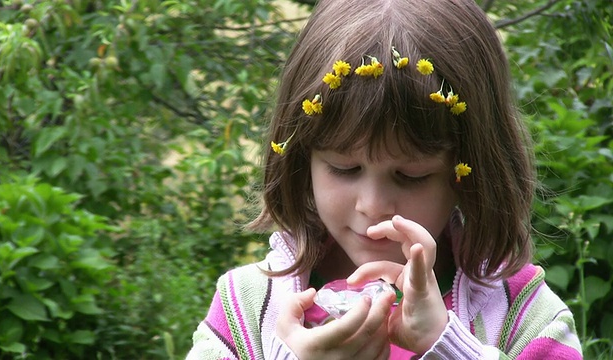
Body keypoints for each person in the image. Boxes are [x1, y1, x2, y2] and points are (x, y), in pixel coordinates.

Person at [187, 0, 583, 358]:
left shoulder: (520, 313)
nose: (373, 205)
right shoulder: (247, 310)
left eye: (411, 176)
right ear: (301, 158)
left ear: (471, 171)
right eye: (345, 168)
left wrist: (450, 348)